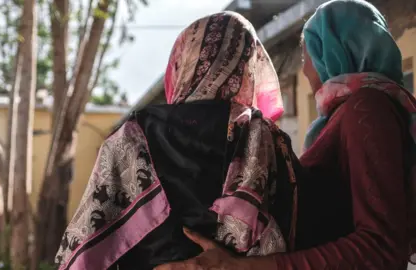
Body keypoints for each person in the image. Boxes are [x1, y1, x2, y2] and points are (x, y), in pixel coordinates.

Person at [155, 0, 416, 269]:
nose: (305, 70)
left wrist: (241, 267)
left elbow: (381, 246)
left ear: (335, 51)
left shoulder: (367, 108)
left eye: (308, 56)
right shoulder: (344, 118)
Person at [55, 11, 300, 270]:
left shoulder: (134, 136)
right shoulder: (268, 142)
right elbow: (302, 242)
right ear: (250, 68)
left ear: (182, 62)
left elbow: (84, 255)